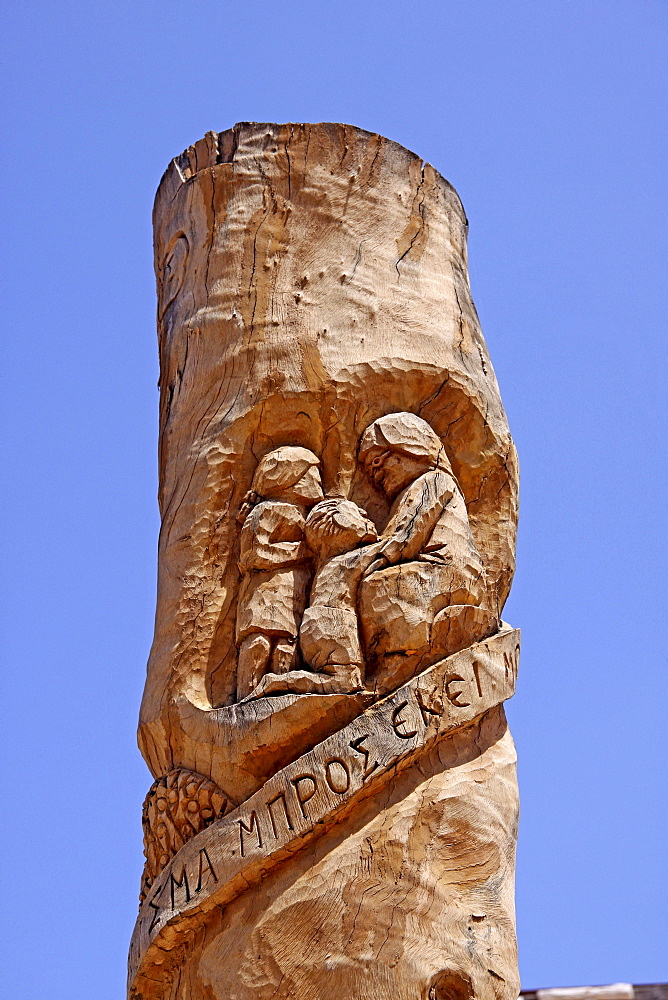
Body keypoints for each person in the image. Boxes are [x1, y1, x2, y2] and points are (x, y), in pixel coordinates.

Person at [357, 412, 496, 691]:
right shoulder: (410, 491)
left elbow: (406, 536)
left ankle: (402, 660)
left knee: (379, 587)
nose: (376, 475)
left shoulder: (431, 481)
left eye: (378, 461)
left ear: (409, 448)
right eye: (370, 471)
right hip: (438, 572)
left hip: (451, 574)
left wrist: (368, 561)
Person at [245, 499, 381, 698]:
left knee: (341, 679)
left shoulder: (329, 559)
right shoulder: (351, 558)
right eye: (359, 514)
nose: (365, 515)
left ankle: (279, 682)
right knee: (345, 682)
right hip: (332, 621)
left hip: (318, 621)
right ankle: (279, 682)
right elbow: (401, 542)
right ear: (339, 523)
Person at [235, 446, 323, 701]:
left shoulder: (305, 514)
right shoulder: (267, 511)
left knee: (287, 647)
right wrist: (303, 552)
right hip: (264, 592)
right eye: (311, 475)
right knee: (260, 644)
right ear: (289, 478)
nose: (318, 481)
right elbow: (253, 555)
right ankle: (246, 698)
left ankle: (280, 695)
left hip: (294, 594)